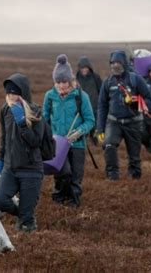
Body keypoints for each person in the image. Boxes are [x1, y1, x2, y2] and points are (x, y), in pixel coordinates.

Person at [0, 73, 44, 232]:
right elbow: (4, 138)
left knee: (26, 224)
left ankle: (27, 223)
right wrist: (1, 159)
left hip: (31, 170)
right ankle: (24, 215)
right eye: (8, 93)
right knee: (0, 200)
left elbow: (36, 142)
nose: (11, 97)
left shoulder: (36, 111)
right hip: (10, 168)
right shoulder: (5, 110)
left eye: (14, 93)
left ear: (22, 93)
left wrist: (22, 122)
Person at [42, 54, 95, 207]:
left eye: (64, 81)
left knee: (76, 177)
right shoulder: (50, 96)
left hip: (77, 144)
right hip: (57, 144)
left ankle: (74, 202)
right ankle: (58, 199)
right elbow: (45, 120)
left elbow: (90, 120)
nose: (61, 85)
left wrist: (79, 132)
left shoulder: (81, 96)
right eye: (58, 82)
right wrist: (47, 136)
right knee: (62, 173)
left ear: (70, 80)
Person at [96, 50, 151, 181]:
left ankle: (135, 179)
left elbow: (149, 99)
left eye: (118, 62)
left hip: (133, 122)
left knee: (134, 156)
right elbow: (102, 106)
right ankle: (112, 176)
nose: (115, 65)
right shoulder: (107, 82)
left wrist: (134, 101)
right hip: (113, 122)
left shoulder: (135, 79)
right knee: (109, 145)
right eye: (113, 63)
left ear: (124, 63)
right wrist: (100, 128)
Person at [76, 56, 103, 144]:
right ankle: (84, 142)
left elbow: (102, 90)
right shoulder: (76, 79)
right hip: (82, 107)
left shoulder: (95, 77)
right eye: (82, 68)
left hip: (95, 107)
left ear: (89, 67)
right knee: (84, 127)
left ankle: (95, 142)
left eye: (85, 68)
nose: (84, 70)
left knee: (95, 127)